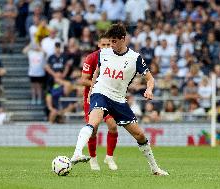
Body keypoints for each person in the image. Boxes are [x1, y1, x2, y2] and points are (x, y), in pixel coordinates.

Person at [70, 24, 169, 176]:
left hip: (118, 100)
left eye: (115, 41)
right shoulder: (104, 53)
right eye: (110, 41)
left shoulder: (135, 58)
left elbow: (150, 78)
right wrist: (91, 91)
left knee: (140, 135)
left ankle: (155, 169)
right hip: (101, 93)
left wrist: (149, 89)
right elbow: (96, 72)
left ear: (123, 39)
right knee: (93, 123)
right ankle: (77, 153)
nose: (112, 45)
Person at [78, 33, 118, 171]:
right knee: (93, 129)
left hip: (109, 97)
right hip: (92, 98)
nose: (107, 47)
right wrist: (99, 84)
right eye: (104, 45)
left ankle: (109, 157)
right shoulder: (91, 58)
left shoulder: (116, 58)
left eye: (109, 44)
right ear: (99, 45)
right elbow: (83, 80)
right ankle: (93, 159)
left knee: (113, 126)